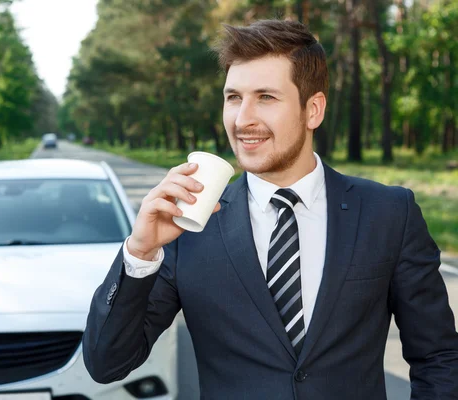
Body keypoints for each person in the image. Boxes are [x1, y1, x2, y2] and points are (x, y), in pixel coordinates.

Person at [82, 19, 458, 399]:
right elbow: (107, 363)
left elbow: (439, 357)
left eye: (266, 97)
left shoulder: (389, 213)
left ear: (313, 110)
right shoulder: (188, 225)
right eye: (233, 97)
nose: (243, 119)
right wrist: (140, 252)